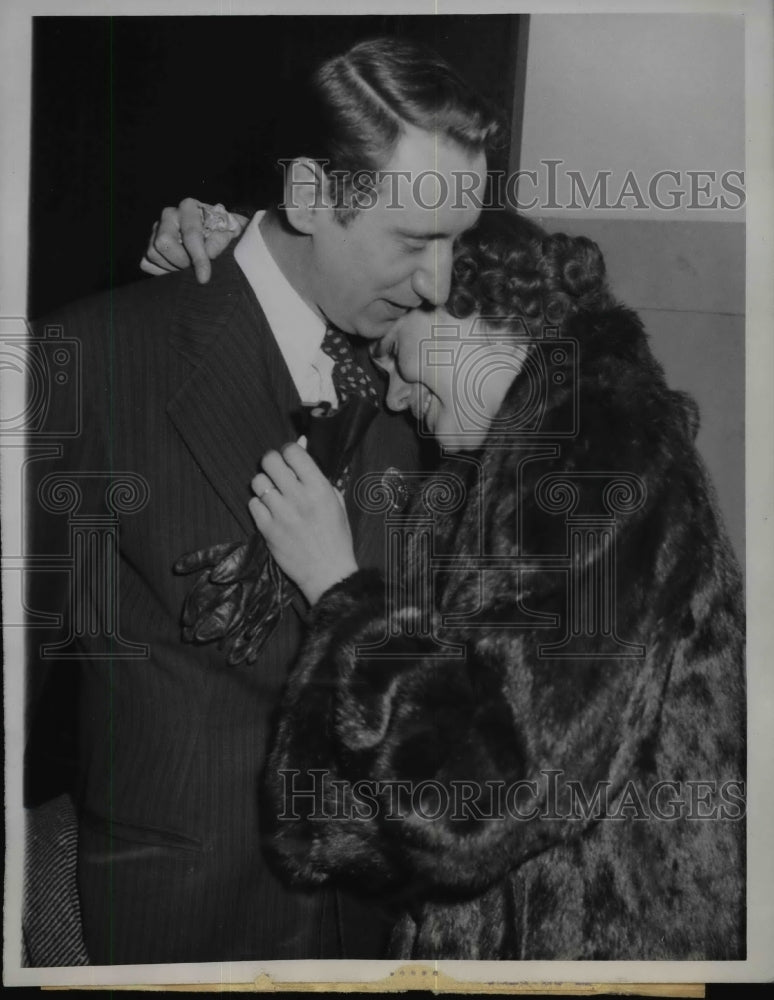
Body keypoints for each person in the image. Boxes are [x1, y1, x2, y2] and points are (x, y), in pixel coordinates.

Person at [24, 37, 499, 965]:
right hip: (182, 927)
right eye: (414, 241)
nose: (440, 282)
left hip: (385, 929)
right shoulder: (94, 358)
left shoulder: (427, 362)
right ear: (311, 197)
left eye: (457, 242)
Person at [242, 210, 745, 960]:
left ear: (465, 306)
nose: (392, 397)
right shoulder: (520, 468)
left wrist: (338, 591)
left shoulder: (599, 457)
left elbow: (481, 800)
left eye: (394, 355)